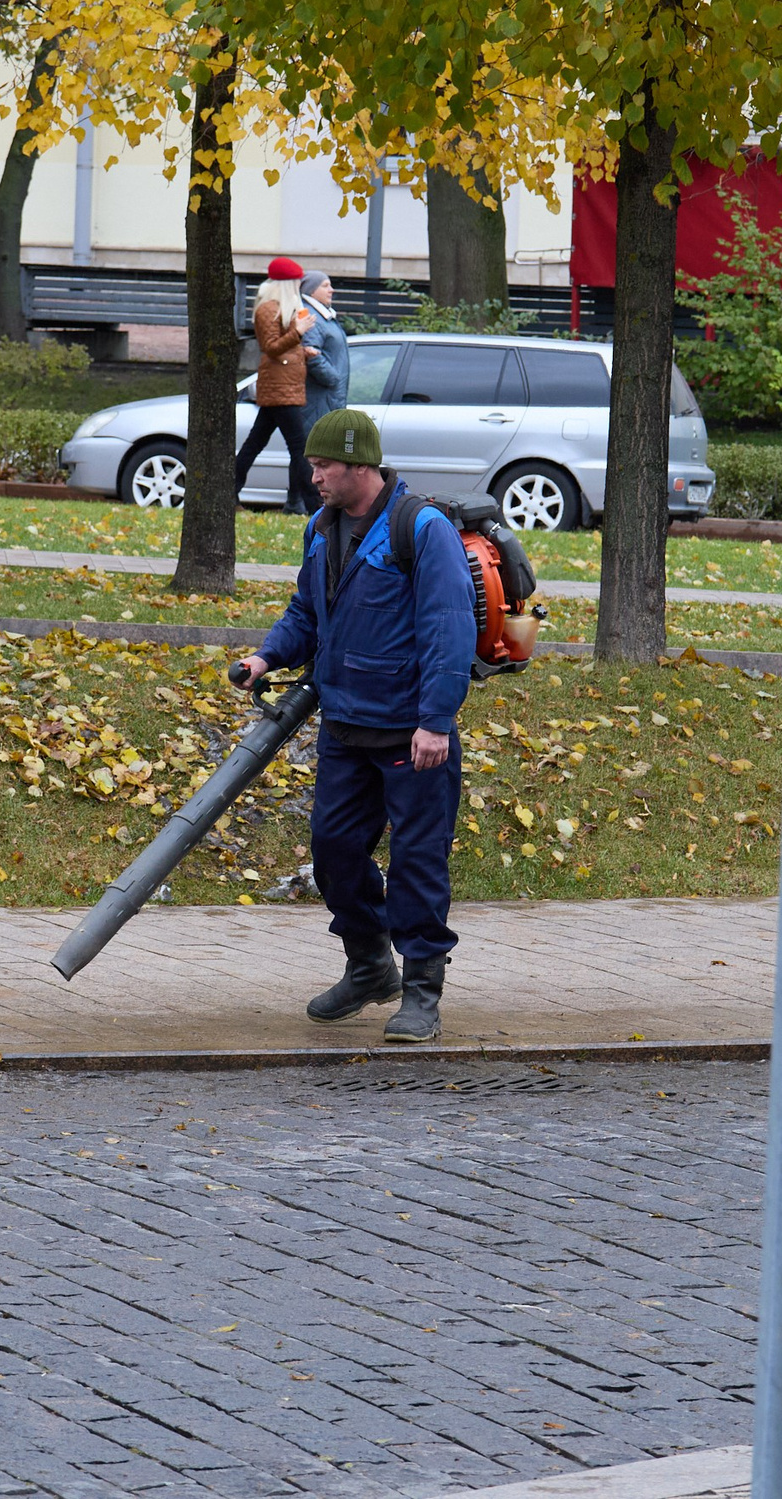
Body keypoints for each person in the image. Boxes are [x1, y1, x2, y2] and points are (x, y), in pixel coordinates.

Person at [236, 408, 475, 1042]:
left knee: (417, 861)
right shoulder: (322, 528)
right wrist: (266, 656)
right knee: (334, 851)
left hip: (412, 735)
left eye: (323, 466)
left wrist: (436, 721)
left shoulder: (421, 529)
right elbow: (306, 613)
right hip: (345, 726)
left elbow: (450, 629)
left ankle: (422, 991)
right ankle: (370, 965)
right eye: (312, 466)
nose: (313, 476)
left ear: (360, 466)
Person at [237, 257, 317, 512]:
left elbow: (282, 349)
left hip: (283, 387)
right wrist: (298, 332)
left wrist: (302, 351)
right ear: (285, 284)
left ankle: (228, 492)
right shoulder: (268, 309)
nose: (299, 287)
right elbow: (270, 347)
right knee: (299, 447)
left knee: (255, 444)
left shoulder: (280, 308)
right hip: (280, 389)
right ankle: (316, 505)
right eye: (296, 282)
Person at [298, 270, 349, 424]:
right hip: (318, 402)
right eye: (325, 286)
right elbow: (311, 353)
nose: (331, 290)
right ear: (312, 290)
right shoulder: (310, 316)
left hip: (328, 399)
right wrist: (333, 378)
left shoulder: (323, 315)